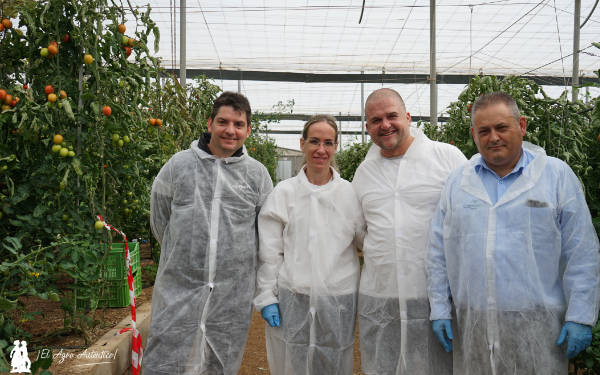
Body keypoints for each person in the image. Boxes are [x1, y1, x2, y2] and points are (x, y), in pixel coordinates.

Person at [427, 92, 600, 374]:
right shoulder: (458, 181)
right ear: (474, 134)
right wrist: (439, 308)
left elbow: (581, 251)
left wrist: (580, 316)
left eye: (501, 127)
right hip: (474, 323)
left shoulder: (555, 176)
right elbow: (438, 252)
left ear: (521, 125)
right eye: (484, 131)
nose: (493, 137)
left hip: (538, 326)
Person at [146, 91, 273, 375]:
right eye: (223, 122)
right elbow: (160, 220)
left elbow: (265, 232)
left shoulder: (257, 175)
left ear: (248, 130)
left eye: (239, 124)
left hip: (231, 295)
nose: (231, 130)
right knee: (166, 358)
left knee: (220, 362)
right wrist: (186, 254)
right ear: (209, 123)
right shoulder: (179, 165)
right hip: (179, 288)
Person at [352, 88, 466, 374]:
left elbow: (468, 222)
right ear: (367, 127)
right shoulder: (365, 173)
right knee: (383, 366)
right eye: (376, 120)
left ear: (408, 117)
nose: (385, 125)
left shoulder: (447, 158)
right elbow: (358, 230)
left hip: (435, 299)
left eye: (392, 116)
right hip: (381, 299)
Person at [254, 115, 365, 374]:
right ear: (302, 143)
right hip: (295, 295)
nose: (321, 149)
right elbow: (270, 252)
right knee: (292, 360)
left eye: (328, 142)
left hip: (338, 298)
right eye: (314, 141)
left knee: (334, 359)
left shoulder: (349, 194)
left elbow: (365, 240)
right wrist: (267, 296)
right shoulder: (284, 193)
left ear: (336, 147)